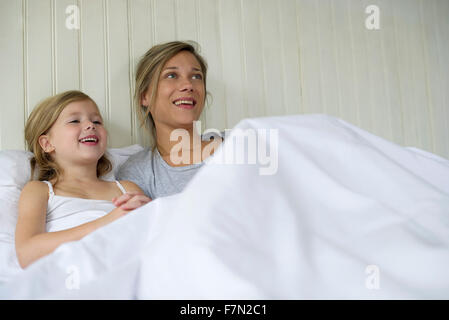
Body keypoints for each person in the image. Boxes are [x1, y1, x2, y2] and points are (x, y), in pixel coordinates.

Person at [15, 90, 152, 269]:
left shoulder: (126, 188)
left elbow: (152, 242)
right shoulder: (39, 190)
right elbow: (27, 254)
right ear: (47, 143)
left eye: (97, 121)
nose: (90, 125)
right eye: (74, 121)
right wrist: (106, 222)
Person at [115, 41, 223, 200]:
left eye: (196, 76)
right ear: (144, 97)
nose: (188, 85)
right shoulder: (138, 172)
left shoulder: (238, 143)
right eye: (171, 75)